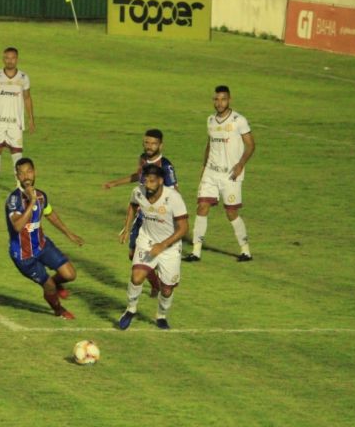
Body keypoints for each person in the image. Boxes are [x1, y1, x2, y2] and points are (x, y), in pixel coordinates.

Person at [102, 128, 178, 297]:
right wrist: (115, 183)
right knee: (132, 254)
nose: (149, 146)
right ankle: (155, 284)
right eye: (147, 142)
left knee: (156, 254)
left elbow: (175, 193)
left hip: (160, 219)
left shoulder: (166, 166)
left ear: (161, 145)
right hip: (142, 215)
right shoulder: (143, 159)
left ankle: (164, 282)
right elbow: (138, 177)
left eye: (153, 143)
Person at [185, 85, 256, 262]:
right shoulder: (210, 120)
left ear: (229, 100)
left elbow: (250, 145)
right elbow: (210, 145)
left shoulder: (239, 120)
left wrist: (240, 165)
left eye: (223, 99)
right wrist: (203, 168)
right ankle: (196, 251)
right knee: (202, 207)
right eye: (216, 99)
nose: (219, 103)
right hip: (211, 172)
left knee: (231, 212)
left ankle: (245, 250)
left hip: (230, 174)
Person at [7, 158, 83, 320]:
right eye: (21, 173)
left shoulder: (41, 196)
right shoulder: (13, 200)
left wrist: (69, 233)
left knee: (70, 274)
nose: (26, 176)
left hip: (42, 245)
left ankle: (55, 285)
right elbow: (17, 226)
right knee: (48, 285)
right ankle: (58, 310)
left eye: (29, 171)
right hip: (24, 255)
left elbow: (49, 214)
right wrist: (31, 202)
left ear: (35, 172)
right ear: (17, 176)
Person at [118, 165, 188, 330]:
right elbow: (133, 206)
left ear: (161, 181)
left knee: (167, 290)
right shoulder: (138, 192)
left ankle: (161, 315)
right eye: (145, 180)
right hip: (147, 241)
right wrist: (127, 229)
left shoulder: (174, 198)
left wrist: (163, 245)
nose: (147, 185)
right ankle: (131, 309)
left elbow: (184, 228)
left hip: (169, 247)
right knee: (137, 277)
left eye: (152, 181)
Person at [0, 47, 36, 196]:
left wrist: (31, 119)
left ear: (17, 59)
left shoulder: (23, 78)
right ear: (3, 59)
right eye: (7, 58)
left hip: (15, 123)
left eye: (13, 58)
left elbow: (27, 98)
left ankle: (19, 188)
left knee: (17, 157)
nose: (10, 61)